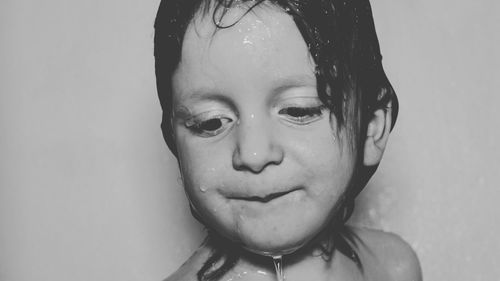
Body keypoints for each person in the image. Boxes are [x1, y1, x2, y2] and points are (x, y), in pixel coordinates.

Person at [154, 0, 422, 280]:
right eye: (210, 122)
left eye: (298, 110)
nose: (253, 154)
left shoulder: (392, 268)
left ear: (371, 128)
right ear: (172, 138)